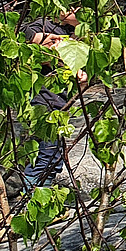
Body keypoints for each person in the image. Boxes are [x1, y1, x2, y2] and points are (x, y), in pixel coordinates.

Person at [20, 10, 85, 187]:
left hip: (60, 104)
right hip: (43, 102)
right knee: (46, 156)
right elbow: (31, 46)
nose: (78, 14)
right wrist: (58, 48)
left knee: (54, 157)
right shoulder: (42, 26)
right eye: (74, 9)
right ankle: (32, 196)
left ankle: (39, 195)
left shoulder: (77, 34)